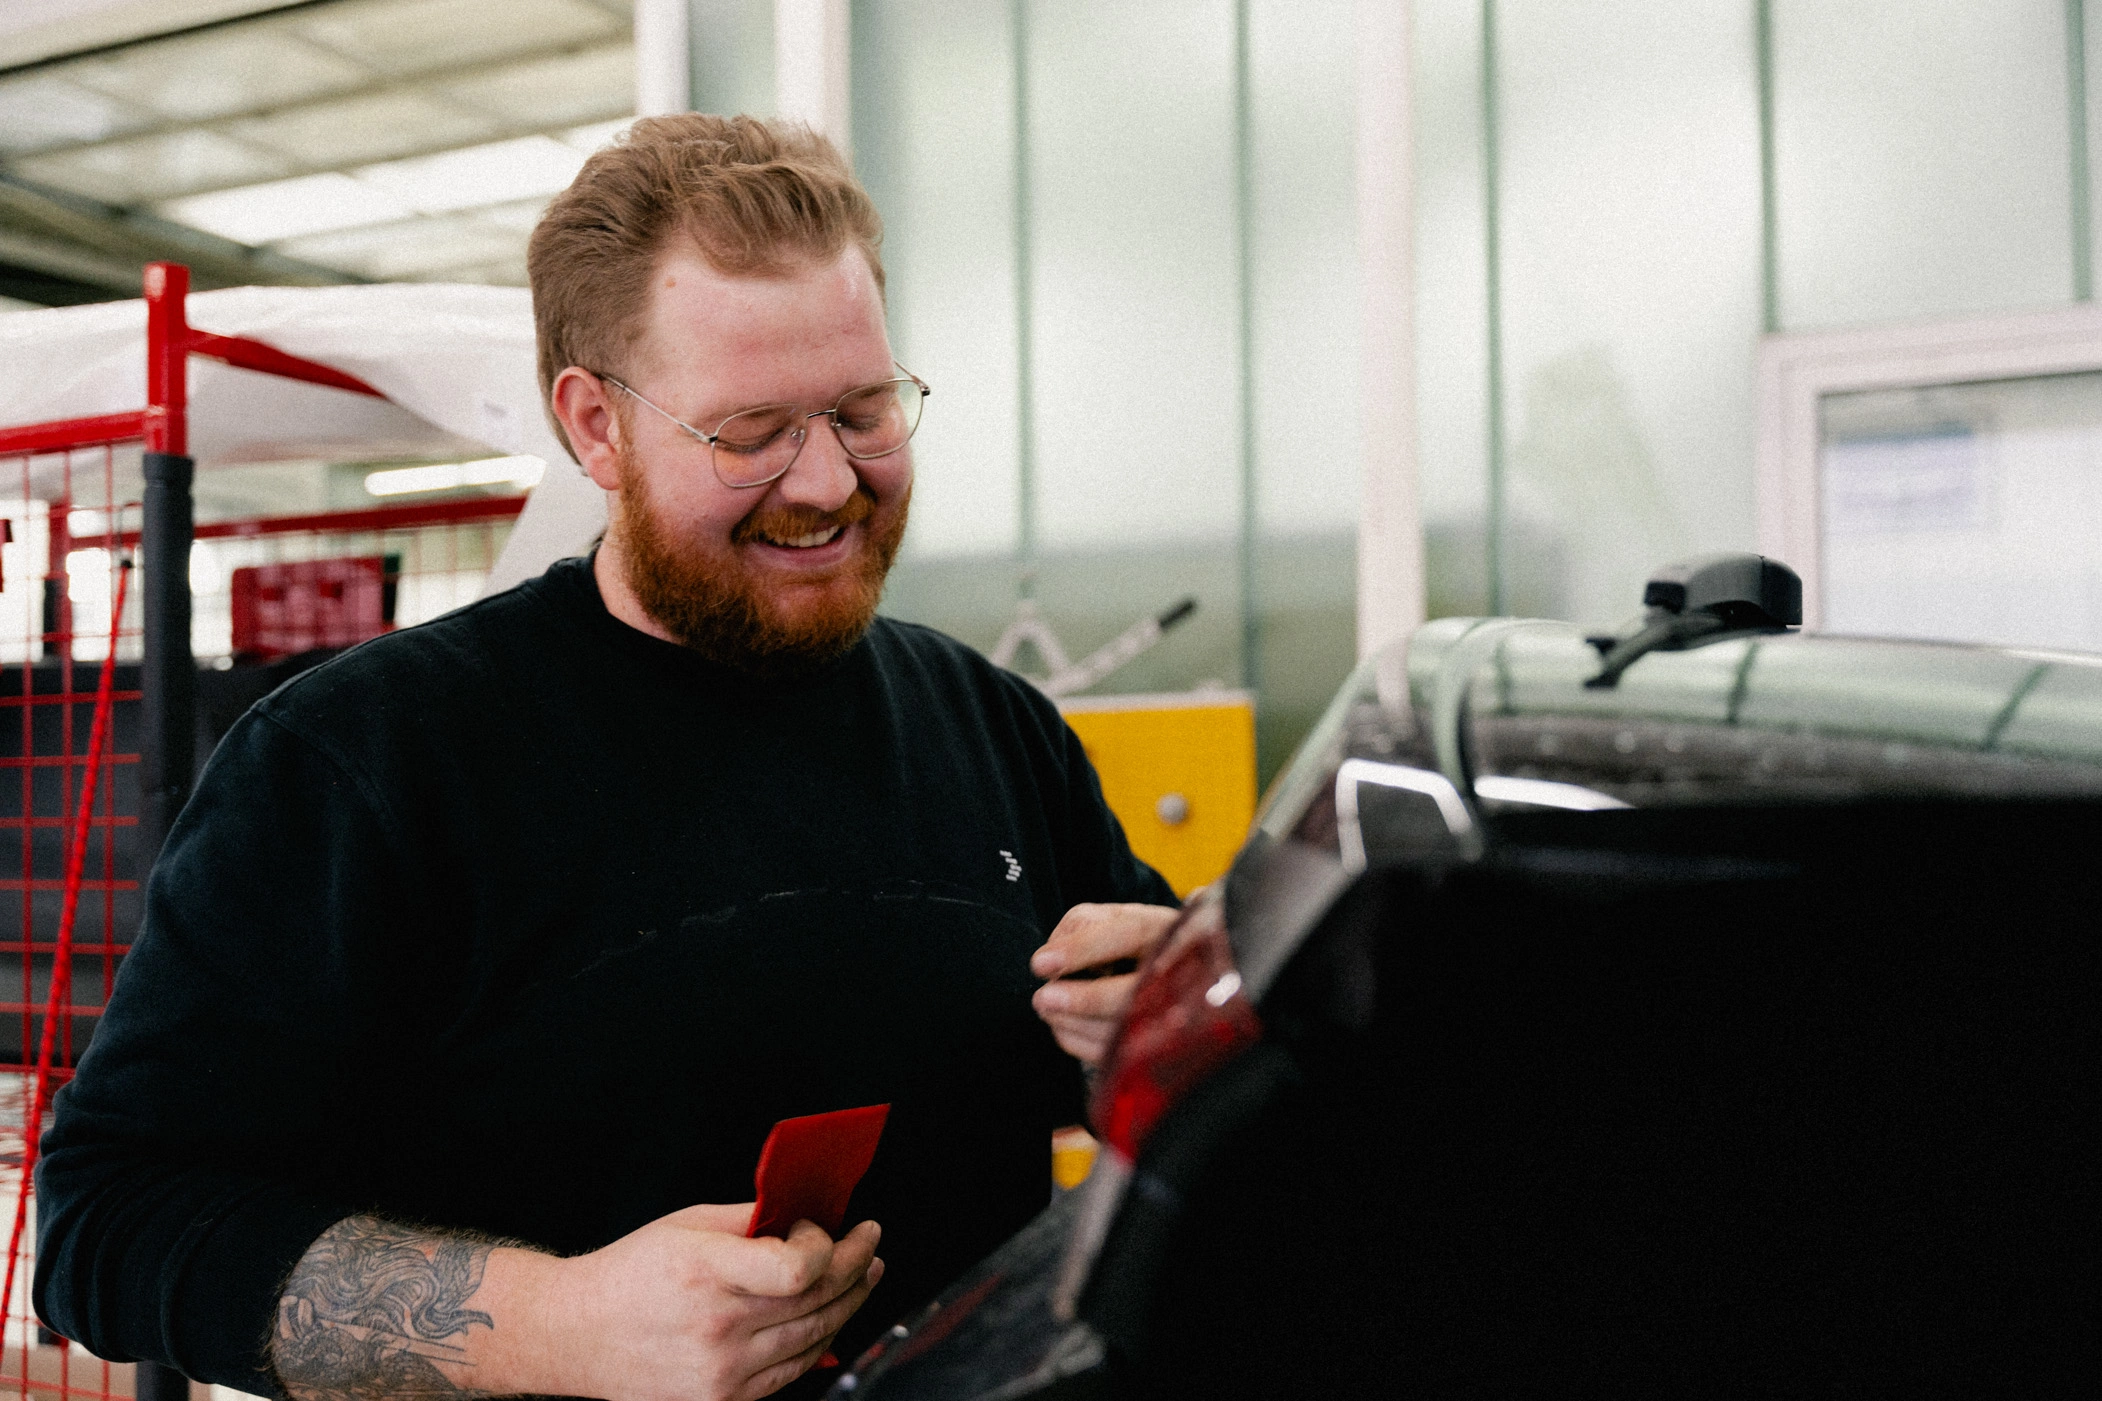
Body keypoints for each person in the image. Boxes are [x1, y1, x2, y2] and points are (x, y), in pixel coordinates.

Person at [33, 115, 1179, 1401]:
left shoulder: (991, 724)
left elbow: (1139, 1045)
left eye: (861, 412)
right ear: (595, 426)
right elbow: (110, 1226)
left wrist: (1160, 1020)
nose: (823, 483)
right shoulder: (364, 764)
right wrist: (555, 1320)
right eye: (748, 434)